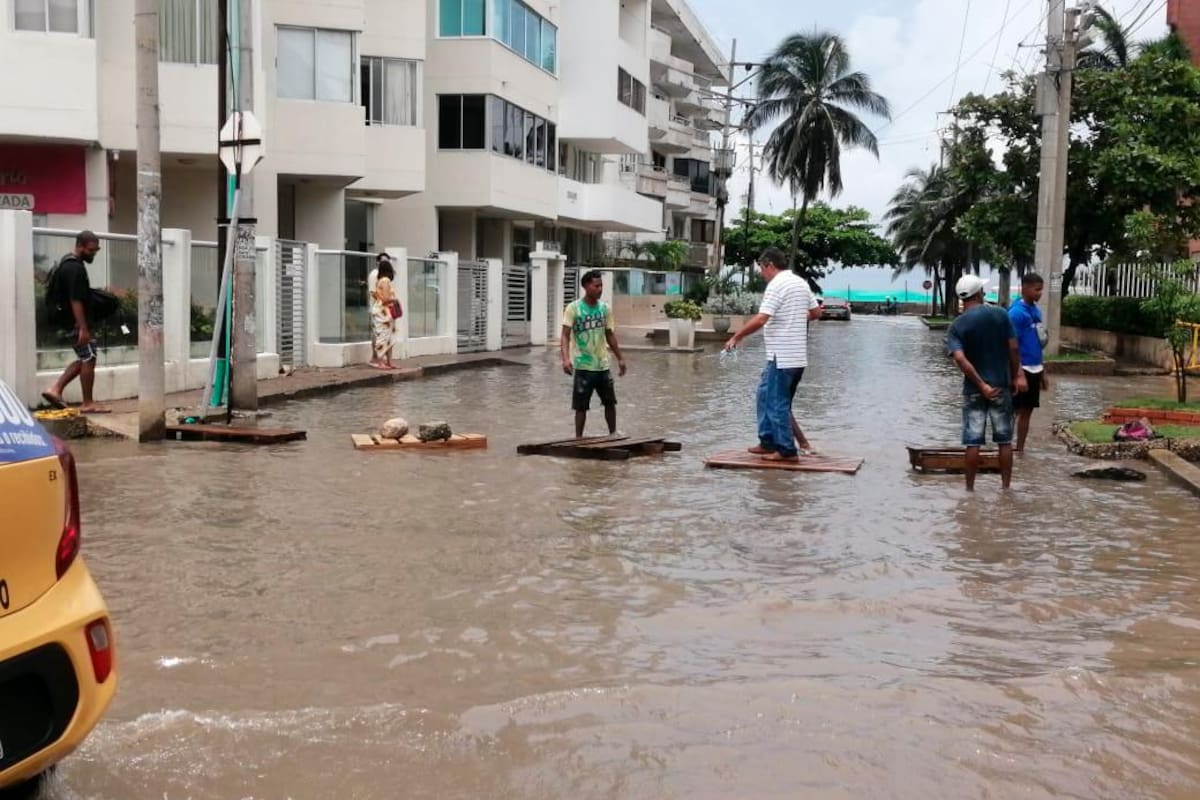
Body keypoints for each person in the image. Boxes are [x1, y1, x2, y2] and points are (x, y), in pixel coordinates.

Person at [723, 247, 821, 462]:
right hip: (793, 357)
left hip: (783, 357)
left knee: (777, 404)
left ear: (769, 265)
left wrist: (736, 337)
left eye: (761, 268)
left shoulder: (776, 285)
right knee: (764, 394)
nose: (761, 273)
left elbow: (761, 319)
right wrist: (795, 315)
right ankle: (767, 442)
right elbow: (816, 313)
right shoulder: (800, 283)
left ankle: (786, 451)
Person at [945, 274, 1027, 491]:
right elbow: (1014, 348)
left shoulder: (956, 326)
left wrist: (981, 385)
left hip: (973, 390)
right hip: (1001, 386)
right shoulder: (1000, 315)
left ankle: (970, 490)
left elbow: (960, 359)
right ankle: (1006, 489)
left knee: (972, 443)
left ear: (963, 298)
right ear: (980, 293)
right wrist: (1017, 374)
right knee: (1004, 441)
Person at [42, 231, 110, 414]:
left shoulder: (68, 262)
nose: (93, 253)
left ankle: (55, 390)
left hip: (69, 321)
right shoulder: (74, 268)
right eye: (90, 250)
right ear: (80, 245)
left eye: (96, 250)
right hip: (74, 322)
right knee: (88, 358)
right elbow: (75, 300)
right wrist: (83, 328)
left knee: (86, 357)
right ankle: (87, 402)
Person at [561, 270, 627, 437]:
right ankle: (578, 438)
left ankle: (613, 434)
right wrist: (566, 359)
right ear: (586, 286)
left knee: (610, 402)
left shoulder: (605, 309)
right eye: (596, 286)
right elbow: (565, 335)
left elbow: (609, 334)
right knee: (581, 406)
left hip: (602, 365)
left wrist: (620, 358)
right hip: (583, 366)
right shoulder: (573, 308)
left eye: (601, 286)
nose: (600, 289)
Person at [1008, 272, 1048, 453]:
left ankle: (1020, 449)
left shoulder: (1036, 311)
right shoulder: (1016, 313)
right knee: (1014, 411)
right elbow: (1012, 346)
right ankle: (1005, 447)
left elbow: (1038, 343)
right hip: (1021, 369)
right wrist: (1019, 374)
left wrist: (1042, 371)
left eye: (1041, 290)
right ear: (1024, 288)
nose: (1039, 293)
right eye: (1036, 289)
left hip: (1035, 368)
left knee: (1028, 411)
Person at [369, 260, 398, 370]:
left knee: (387, 337)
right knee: (384, 336)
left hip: (383, 311)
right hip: (384, 312)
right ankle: (382, 362)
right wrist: (394, 300)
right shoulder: (385, 281)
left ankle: (387, 362)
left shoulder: (380, 280)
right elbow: (385, 299)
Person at [367, 253, 391, 367]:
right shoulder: (374, 274)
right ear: (377, 262)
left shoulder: (384, 276)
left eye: (387, 261)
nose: (385, 263)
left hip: (384, 310)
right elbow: (373, 292)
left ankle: (380, 358)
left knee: (384, 334)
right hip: (377, 309)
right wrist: (383, 302)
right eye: (383, 261)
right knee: (377, 334)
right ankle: (375, 358)